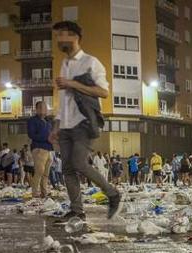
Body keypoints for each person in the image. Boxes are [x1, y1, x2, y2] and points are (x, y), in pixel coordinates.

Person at [47, 20, 121, 221]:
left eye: (61, 35)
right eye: (57, 36)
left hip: (83, 123)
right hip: (66, 125)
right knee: (67, 169)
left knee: (79, 163)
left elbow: (103, 91)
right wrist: (56, 125)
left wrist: (72, 83)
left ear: (74, 36)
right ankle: (77, 211)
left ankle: (112, 193)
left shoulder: (91, 62)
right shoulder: (64, 64)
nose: (58, 40)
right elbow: (63, 100)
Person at [27, 101, 53, 197]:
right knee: (39, 171)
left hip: (48, 149)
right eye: (42, 108)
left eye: (46, 108)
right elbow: (32, 135)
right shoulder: (32, 120)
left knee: (46, 173)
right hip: (39, 148)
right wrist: (47, 137)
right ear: (36, 109)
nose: (44, 110)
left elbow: (51, 134)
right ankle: (35, 193)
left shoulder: (48, 121)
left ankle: (44, 192)